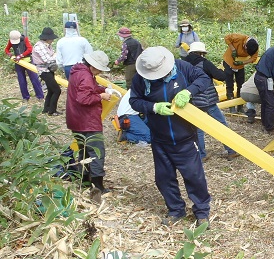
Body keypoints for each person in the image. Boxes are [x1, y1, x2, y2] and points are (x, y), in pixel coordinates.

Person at [129, 46, 212, 227]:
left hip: (185, 136)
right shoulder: (140, 79)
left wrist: (188, 91)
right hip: (159, 137)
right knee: (164, 178)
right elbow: (134, 101)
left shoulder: (182, 68)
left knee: (194, 176)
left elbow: (204, 79)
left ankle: (202, 211)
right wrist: (153, 107)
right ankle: (176, 210)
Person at [66, 50, 113, 194]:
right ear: (93, 65)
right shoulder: (86, 76)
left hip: (76, 119)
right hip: (87, 121)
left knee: (84, 150)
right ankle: (98, 186)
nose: (99, 72)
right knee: (97, 152)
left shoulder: (78, 71)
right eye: (99, 69)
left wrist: (102, 89)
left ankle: (85, 180)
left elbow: (89, 89)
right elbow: (84, 98)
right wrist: (101, 96)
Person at [183, 42, 239, 161]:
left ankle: (202, 155)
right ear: (201, 53)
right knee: (221, 124)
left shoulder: (183, 64)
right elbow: (221, 76)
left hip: (193, 100)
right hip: (208, 100)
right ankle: (231, 150)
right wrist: (222, 70)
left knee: (198, 129)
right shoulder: (204, 63)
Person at [5, 30, 44, 103]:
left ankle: (40, 96)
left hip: (28, 61)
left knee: (34, 79)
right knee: (21, 80)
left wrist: (21, 55)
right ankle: (25, 97)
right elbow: (6, 49)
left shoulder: (25, 39)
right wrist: (9, 54)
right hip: (18, 63)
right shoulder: (11, 41)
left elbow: (30, 49)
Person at [222, 33, 259, 112]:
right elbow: (227, 37)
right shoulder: (239, 37)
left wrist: (243, 63)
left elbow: (253, 58)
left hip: (240, 65)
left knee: (241, 85)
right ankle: (231, 106)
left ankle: (240, 106)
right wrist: (233, 49)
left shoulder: (255, 47)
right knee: (229, 84)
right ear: (245, 45)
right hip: (229, 62)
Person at [31, 27, 62, 116]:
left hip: (48, 69)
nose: (52, 40)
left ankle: (46, 109)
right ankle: (52, 111)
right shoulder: (39, 46)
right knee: (57, 90)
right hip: (43, 71)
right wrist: (58, 55)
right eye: (51, 38)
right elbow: (48, 59)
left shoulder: (47, 45)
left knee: (51, 90)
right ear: (47, 38)